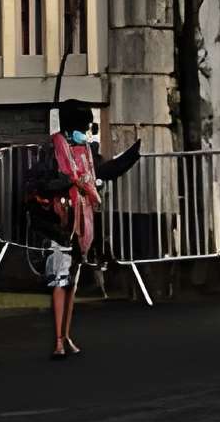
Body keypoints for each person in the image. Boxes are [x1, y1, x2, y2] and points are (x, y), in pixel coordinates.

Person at [23, 98, 141, 357]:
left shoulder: (86, 152)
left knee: (71, 283)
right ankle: (57, 340)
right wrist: (67, 182)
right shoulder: (53, 149)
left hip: (80, 224)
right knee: (59, 280)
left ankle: (65, 336)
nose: (87, 131)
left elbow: (104, 171)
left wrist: (131, 157)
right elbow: (38, 181)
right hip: (57, 223)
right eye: (85, 125)